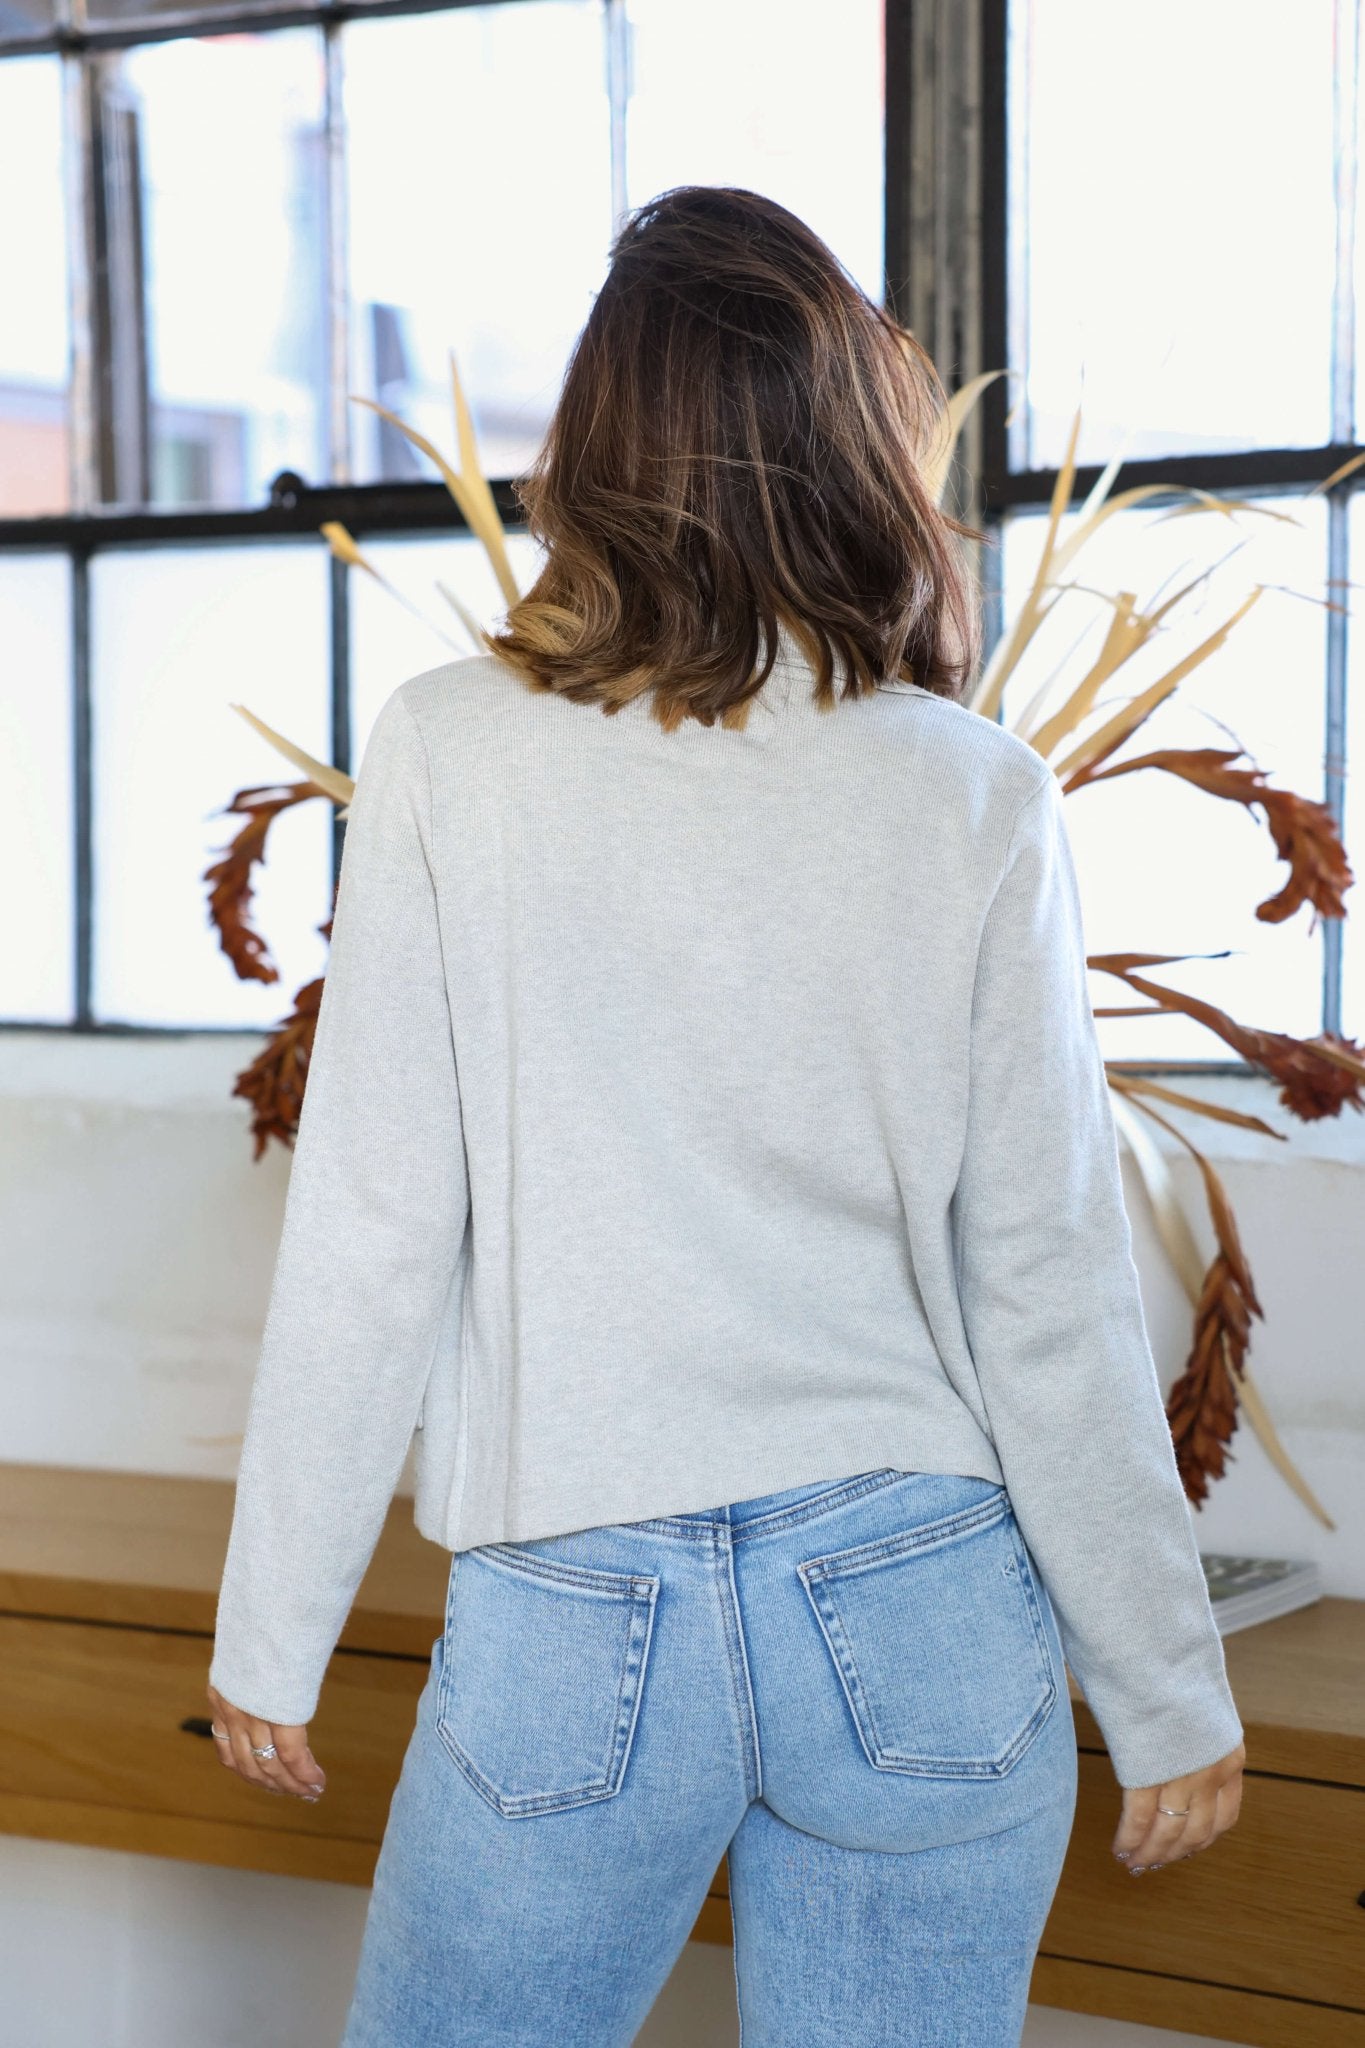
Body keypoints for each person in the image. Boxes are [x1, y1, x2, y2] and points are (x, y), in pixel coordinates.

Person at [206, 185, 1244, 2047]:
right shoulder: (973, 792)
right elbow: (1047, 1283)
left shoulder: (454, 746)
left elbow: (372, 1229)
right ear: (855, 446)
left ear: (593, 455)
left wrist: (269, 1634)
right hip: (922, 1595)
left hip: (577, 1607)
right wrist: (1161, 1687)